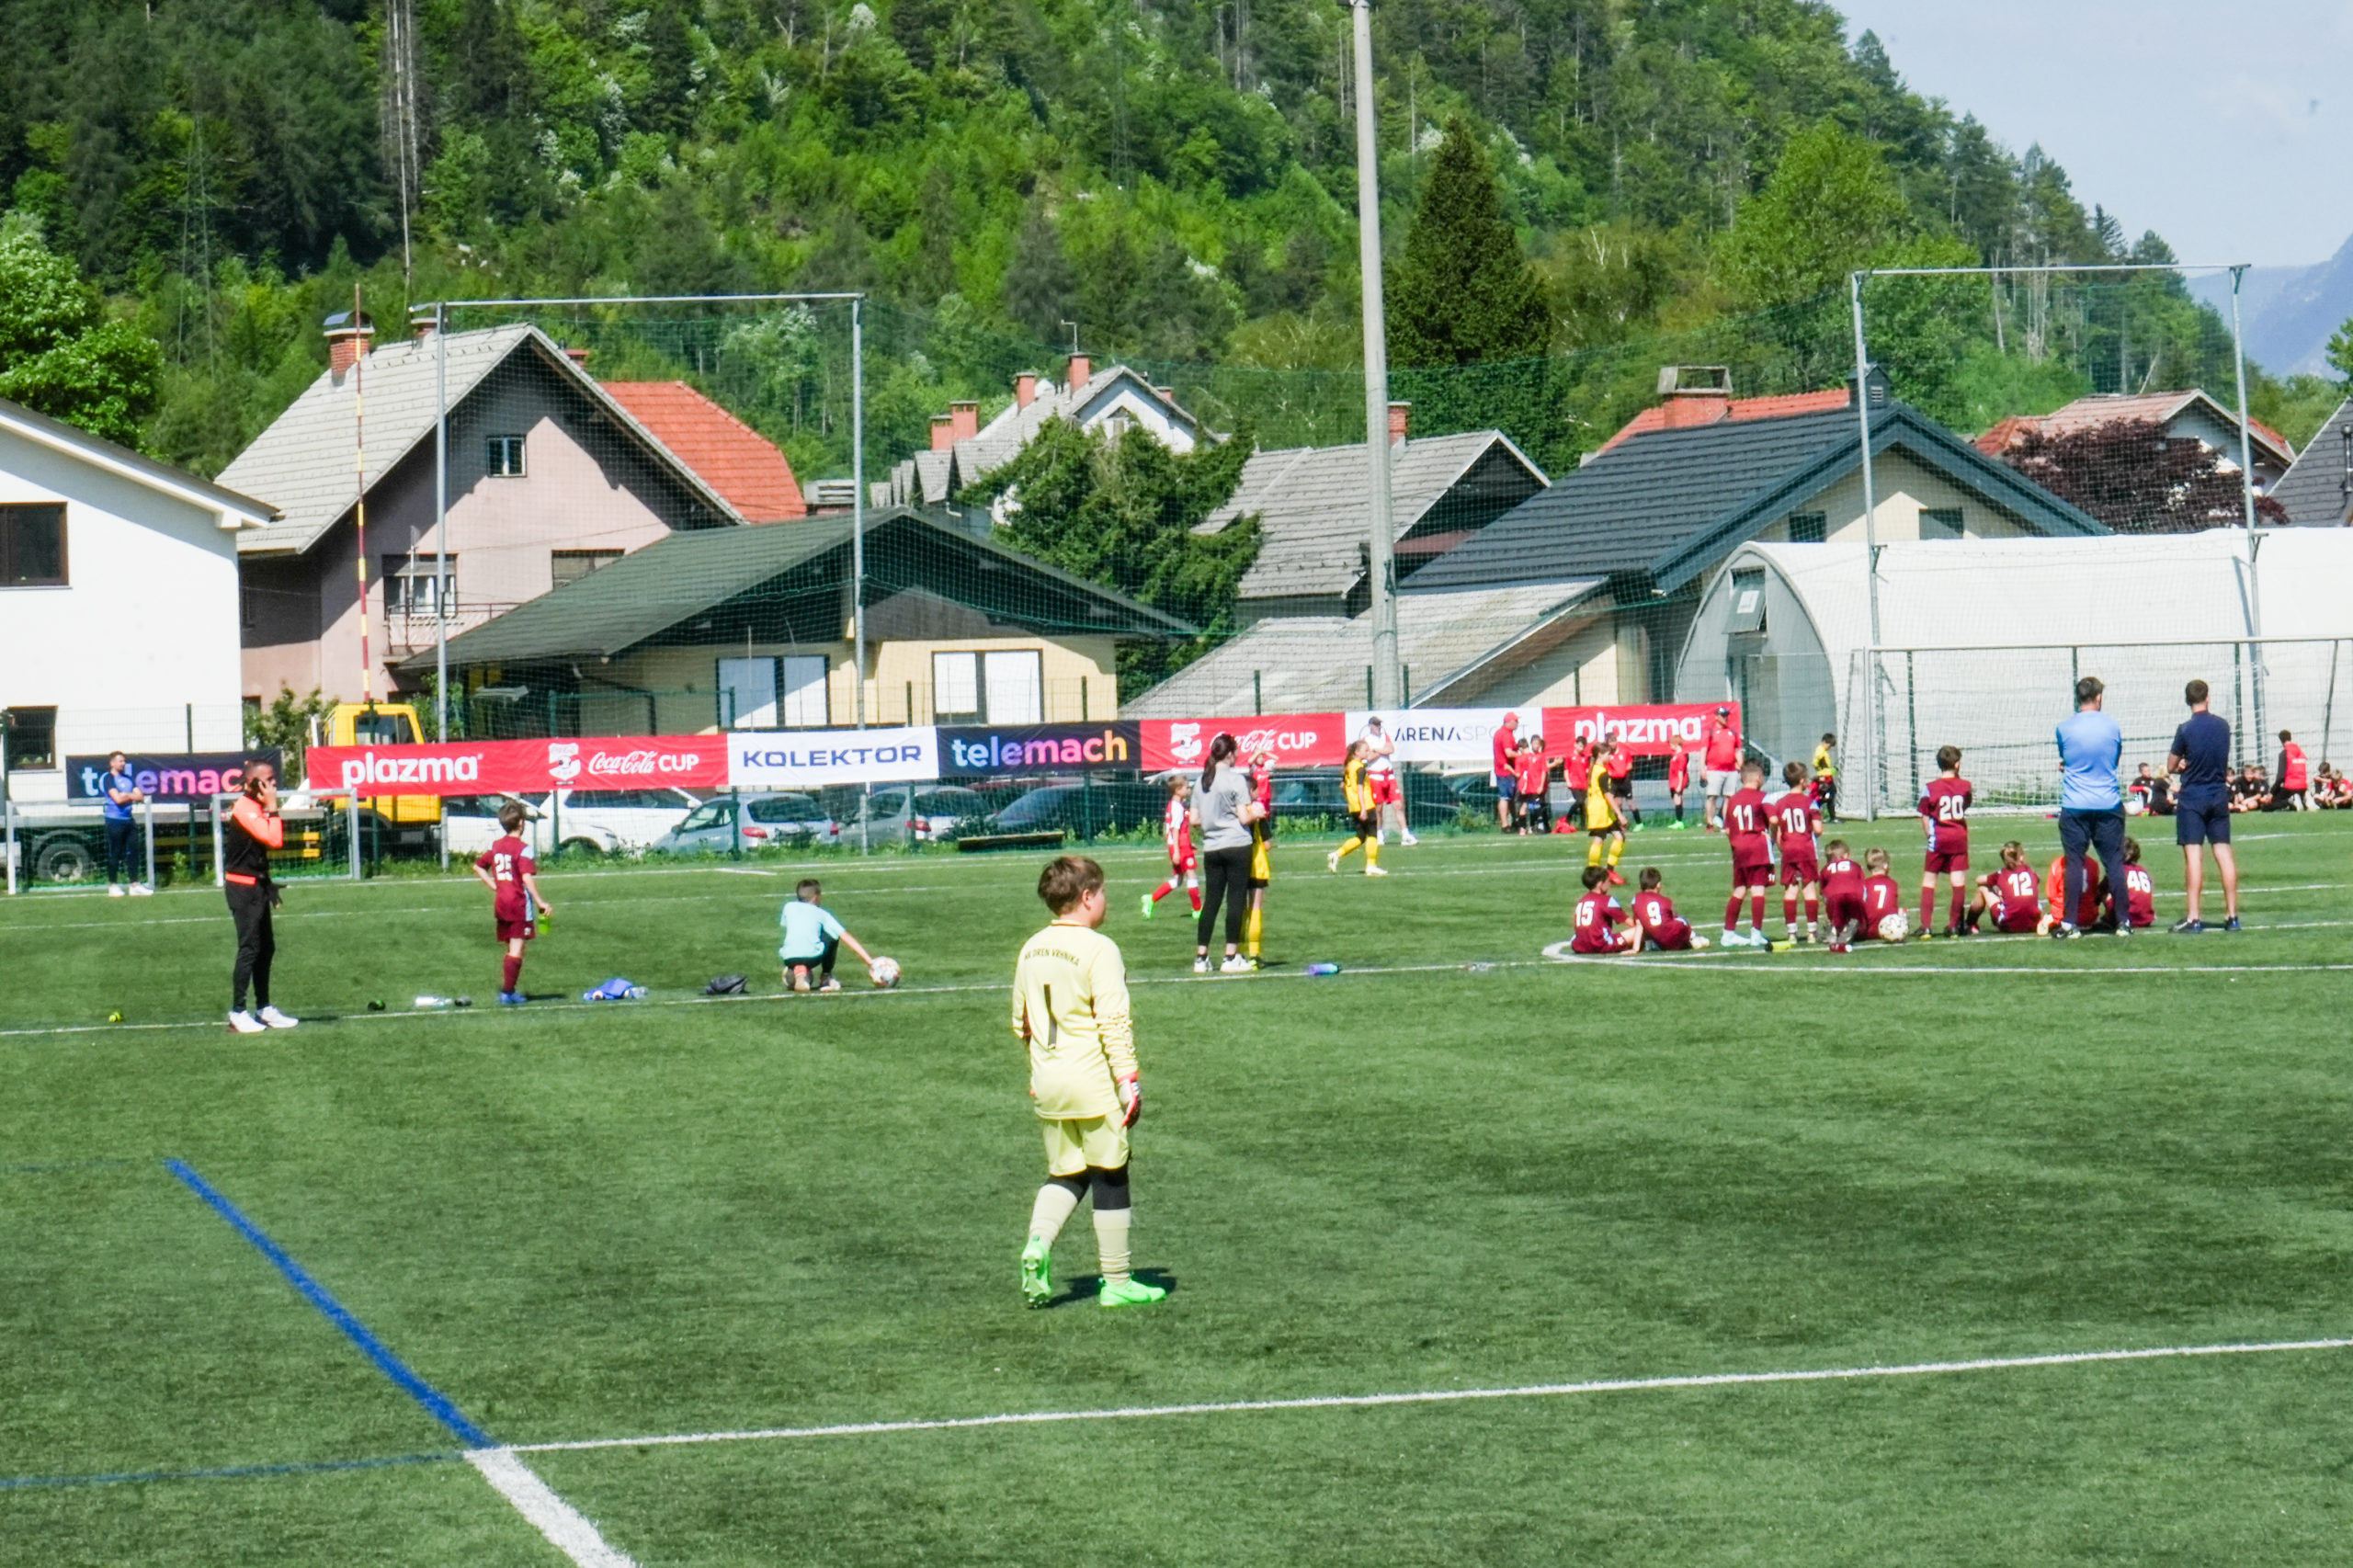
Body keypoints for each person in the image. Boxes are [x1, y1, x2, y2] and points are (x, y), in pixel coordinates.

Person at [1013, 854, 1165, 1310]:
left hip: (1049, 1079)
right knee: (1111, 1173)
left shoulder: (1031, 947)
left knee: (1067, 1172)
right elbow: (1114, 1022)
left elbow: (1022, 1023)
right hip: (1093, 1079)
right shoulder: (1100, 948)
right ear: (1085, 898)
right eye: (1101, 892)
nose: (1105, 900)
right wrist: (1128, 1081)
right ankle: (1116, 1280)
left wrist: (1037, 1073)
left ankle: (1038, 1243)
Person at [2052, 675, 2129, 940]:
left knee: (2074, 864)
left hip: (2075, 804)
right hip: (2107, 802)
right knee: (2114, 864)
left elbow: (2067, 757)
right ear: (2099, 697)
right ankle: (2123, 921)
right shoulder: (2112, 726)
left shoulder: (2064, 727)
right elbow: (2114, 759)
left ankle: (2069, 923)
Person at [223, 759, 297, 1034]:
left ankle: (264, 1008)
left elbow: (255, 854)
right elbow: (274, 840)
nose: (274, 784)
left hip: (256, 887)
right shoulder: (245, 807)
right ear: (255, 784)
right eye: (269, 780)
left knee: (266, 948)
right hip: (242, 889)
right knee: (250, 949)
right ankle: (237, 1012)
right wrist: (274, 808)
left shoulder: (255, 808)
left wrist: (268, 885)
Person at [2167, 678, 2239, 932]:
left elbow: (2171, 766)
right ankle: (2232, 916)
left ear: (2188, 701)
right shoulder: (2222, 726)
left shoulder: (2185, 729)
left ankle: (2194, 917)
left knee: (2194, 856)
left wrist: (2183, 764)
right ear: (2208, 697)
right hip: (2218, 793)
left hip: (2193, 796)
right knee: (2224, 854)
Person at [472, 801, 557, 1005]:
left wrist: (494, 886)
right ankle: (508, 993)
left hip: (502, 903)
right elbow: (527, 878)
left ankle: (509, 989)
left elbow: (478, 867)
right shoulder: (523, 849)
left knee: (512, 946)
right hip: (518, 904)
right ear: (521, 823)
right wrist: (541, 903)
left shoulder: (496, 846)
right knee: (516, 949)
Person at [1196, 733, 1267, 972]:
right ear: (1229, 754)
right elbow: (1244, 817)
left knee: (1211, 902)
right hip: (1237, 845)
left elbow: (1195, 818)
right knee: (1235, 900)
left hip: (1211, 847)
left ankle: (1201, 956)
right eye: (1236, 751)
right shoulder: (1236, 780)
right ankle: (1230, 956)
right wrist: (1257, 812)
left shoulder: (1201, 780)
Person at [778, 877, 875, 994]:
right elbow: (845, 936)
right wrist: (869, 961)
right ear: (815, 897)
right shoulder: (822, 914)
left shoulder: (788, 907)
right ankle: (826, 977)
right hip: (811, 957)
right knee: (832, 934)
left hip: (789, 957)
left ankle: (798, 972)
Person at [1917, 745, 1972, 938]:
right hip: (1958, 837)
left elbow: (1924, 814)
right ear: (1957, 765)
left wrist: (1929, 835)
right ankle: (1954, 926)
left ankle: (1926, 926)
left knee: (1930, 881)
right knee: (1957, 882)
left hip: (1939, 838)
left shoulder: (1930, 787)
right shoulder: (1965, 786)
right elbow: (1965, 805)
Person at [1721, 759, 1774, 948]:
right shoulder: (1763, 797)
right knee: (1758, 889)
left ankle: (1728, 933)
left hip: (1739, 848)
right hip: (1757, 847)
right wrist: (1772, 837)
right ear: (1759, 778)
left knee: (1740, 889)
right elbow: (1773, 820)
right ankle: (1756, 934)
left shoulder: (1733, 800)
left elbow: (1728, 829)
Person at [1770, 760, 1821, 943]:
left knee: (1790, 891)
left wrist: (1780, 844)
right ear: (1802, 781)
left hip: (1789, 849)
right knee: (1809, 890)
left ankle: (1792, 933)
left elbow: (1775, 828)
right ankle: (1812, 933)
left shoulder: (1780, 803)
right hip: (1806, 849)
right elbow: (1818, 829)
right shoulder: (1810, 802)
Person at [1141, 776, 1200, 921]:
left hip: (1180, 846)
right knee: (1191, 875)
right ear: (1178, 790)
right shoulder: (1177, 808)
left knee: (1178, 880)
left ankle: (1151, 899)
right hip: (1181, 847)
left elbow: (1175, 830)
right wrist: (1178, 852)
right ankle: (1198, 909)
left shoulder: (1172, 805)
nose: (1189, 789)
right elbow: (1175, 830)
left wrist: (1185, 843)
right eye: (1186, 787)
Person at [1327, 738, 1385, 882]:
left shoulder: (1348, 767)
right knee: (1372, 834)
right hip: (1365, 805)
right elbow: (1360, 788)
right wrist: (1364, 808)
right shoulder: (1359, 767)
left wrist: (1351, 801)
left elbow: (1343, 787)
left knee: (1361, 837)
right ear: (1357, 752)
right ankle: (1371, 865)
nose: (1368, 752)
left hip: (1354, 806)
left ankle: (1337, 854)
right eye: (1366, 750)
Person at [98, 750, 151, 896]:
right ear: (112, 763)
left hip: (128, 819)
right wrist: (130, 796)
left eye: (124, 761)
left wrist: (127, 795)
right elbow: (117, 799)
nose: (123, 763)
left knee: (133, 851)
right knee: (115, 852)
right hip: (114, 820)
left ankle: (134, 884)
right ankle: (113, 885)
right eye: (120, 761)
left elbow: (140, 796)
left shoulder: (128, 778)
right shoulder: (108, 779)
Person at [1964, 841, 2043, 935]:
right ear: (2021, 858)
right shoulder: (2031, 872)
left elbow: (1979, 880)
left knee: (1983, 888)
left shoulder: (2001, 873)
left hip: (2009, 925)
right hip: (2033, 924)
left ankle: (1969, 924)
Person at [1360, 717, 1417, 847]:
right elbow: (1368, 757)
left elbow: (1390, 749)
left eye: (1379, 725)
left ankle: (1405, 834)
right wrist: (1381, 751)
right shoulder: (1366, 740)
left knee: (1398, 805)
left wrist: (1377, 750)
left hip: (1389, 775)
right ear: (1370, 726)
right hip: (1376, 777)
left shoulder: (1384, 736)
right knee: (1378, 809)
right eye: (1376, 725)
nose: (1378, 727)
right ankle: (1379, 834)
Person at [1244, 747, 1275, 962]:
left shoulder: (1234, 810)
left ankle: (1234, 952)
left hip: (1237, 863)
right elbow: (1268, 844)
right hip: (1257, 864)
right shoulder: (1257, 811)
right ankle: (1254, 955)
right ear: (1253, 792)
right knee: (1255, 908)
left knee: (1239, 907)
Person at [1583, 741, 1627, 884]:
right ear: (1601, 755)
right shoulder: (1601, 772)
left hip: (1603, 811)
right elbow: (1607, 795)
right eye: (1608, 754)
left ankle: (1610, 870)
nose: (1611, 757)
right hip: (1600, 810)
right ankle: (1592, 871)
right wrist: (1619, 814)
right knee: (1599, 839)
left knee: (1619, 836)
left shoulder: (1595, 768)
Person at [1631, 867, 1701, 950]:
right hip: (1673, 937)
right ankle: (1693, 938)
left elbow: (1639, 925)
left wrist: (1635, 949)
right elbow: (1671, 917)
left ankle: (1653, 943)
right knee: (1682, 920)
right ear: (1658, 885)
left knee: (1650, 928)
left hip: (1658, 940)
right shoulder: (1665, 901)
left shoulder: (1636, 900)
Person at [1568, 864, 1632, 954]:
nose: (1610, 884)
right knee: (1639, 930)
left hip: (1579, 945)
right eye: (1607, 881)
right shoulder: (1607, 900)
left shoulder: (1582, 901)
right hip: (1600, 945)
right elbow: (1629, 922)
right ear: (1600, 884)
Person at [1817, 839, 1866, 951]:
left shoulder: (1825, 869)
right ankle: (1853, 926)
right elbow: (1863, 886)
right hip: (1854, 894)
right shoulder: (1855, 865)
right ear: (1845, 855)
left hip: (1834, 895)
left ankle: (1835, 928)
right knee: (1859, 923)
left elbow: (1824, 894)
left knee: (1837, 916)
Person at [1700, 705, 1743, 831]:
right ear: (1716, 717)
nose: (1725, 718)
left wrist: (1740, 761)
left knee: (1729, 797)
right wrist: (1702, 768)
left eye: (1726, 715)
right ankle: (1710, 823)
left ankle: (1726, 823)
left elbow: (1738, 749)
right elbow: (1703, 751)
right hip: (1714, 769)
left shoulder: (1732, 732)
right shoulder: (1711, 732)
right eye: (1722, 715)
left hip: (1731, 770)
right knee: (1712, 796)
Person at [1862, 847, 1905, 939]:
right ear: (1885, 866)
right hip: (1889, 928)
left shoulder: (1864, 884)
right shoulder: (1893, 884)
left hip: (1869, 931)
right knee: (1902, 911)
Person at [1516, 735, 1552, 835]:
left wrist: (1541, 785)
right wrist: (1524, 786)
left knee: (1538, 806)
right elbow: (1526, 773)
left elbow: (1544, 771)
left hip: (1538, 786)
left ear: (1540, 745)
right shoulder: (1529, 757)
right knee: (1533, 807)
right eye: (1534, 743)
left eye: (1538, 744)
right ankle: (1536, 826)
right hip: (1530, 786)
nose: (1536, 746)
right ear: (1531, 744)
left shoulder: (1542, 756)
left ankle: (1540, 826)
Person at [1491, 711, 1520, 831]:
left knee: (1510, 797)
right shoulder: (1506, 735)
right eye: (1516, 721)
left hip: (1501, 769)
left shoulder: (1499, 733)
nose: (1518, 724)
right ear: (1510, 722)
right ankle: (1505, 825)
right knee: (1505, 797)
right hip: (1506, 771)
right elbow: (1508, 752)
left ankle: (1515, 821)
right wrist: (1522, 756)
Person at [2120, 836, 2156, 928]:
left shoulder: (2120, 871)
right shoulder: (2142, 870)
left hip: (2129, 916)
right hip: (2146, 918)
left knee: (2108, 893)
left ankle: (2115, 919)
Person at [1606, 738, 1638, 830]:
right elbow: (1606, 767)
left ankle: (1639, 823)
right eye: (1610, 742)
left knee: (1630, 802)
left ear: (1616, 742)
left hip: (1625, 781)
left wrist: (1622, 771)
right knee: (1618, 804)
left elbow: (1630, 765)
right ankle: (1622, 825)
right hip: (1615, 782)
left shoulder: (1624, 752)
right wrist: (1612, 773)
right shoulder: (1607, 755)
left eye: (1613, 741)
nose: (1612, 744)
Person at [2279, 730, 2310, 810]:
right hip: (2303, 786)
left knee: (2270, 805)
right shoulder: (2301, 753)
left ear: (2281, 740)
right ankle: (2305, 798)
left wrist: (2272, 792)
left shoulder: (2284, 753)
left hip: (2290, 787)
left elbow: (2281, 776)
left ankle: (2292, 799)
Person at [1812, 733, 1839, 822]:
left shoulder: (1823, 751)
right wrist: (1821, 773)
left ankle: (1831, 816)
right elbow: (1815, 762)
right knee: (1826, 796)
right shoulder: (1820, 751)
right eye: (1829, 745)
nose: (1829, 747)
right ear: (1824, 742)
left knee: (1829, 795)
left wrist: (1832, 770)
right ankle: (1829, 816)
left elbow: (1826, 766)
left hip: (1827, 777)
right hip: (1825, 779)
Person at [1665, 740, 1691, 828]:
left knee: (1678, 799)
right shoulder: (1675, 756)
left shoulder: (1681, 756)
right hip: (1674, 781)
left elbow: (1681, 770)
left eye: (1671, 744)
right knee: (1676, 799)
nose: (1670, 747)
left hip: (1677, 781)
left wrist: (1680, 784)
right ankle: (1678, 821)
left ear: (1676, 744)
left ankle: (1679, 821)